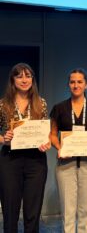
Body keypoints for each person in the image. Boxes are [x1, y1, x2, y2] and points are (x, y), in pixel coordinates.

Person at [50, 68, 87, 233]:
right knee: (67, 212)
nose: (76, 85)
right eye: (72, 82)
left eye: (80, 82)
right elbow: (53, 135)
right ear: (68, 85)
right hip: (65, 165)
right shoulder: (59, 108)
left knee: (86, 211)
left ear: (86, 84)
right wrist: (60, 148)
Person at [0, 63, 50, 233]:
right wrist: (3, 139)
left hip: (36, 160)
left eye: (28, 76)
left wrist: (47, 142)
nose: (24, 80)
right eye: (19, 76)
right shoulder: (3, 104)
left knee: (33, 210)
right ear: (12, 80)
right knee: (10, 209)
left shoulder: (41, 103)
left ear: (32, 79)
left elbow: (45, 132)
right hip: (10, 160)